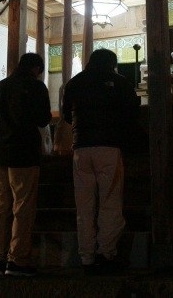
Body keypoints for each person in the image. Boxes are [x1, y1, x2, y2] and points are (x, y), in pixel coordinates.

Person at [61, 48, 140, 275]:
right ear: (112, 63)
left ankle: (86, 257)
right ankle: (107, 253)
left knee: (84, 205)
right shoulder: (119, 82)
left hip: (81, 148)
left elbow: (67, 114)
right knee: (110, 201)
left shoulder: (74, 83)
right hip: (109, 147)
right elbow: (131, 111)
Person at [0, 53, 52, 277]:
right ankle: (16, 259)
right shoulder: (37, 87)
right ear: (36, 68)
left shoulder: (1, 86)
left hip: (0, 153)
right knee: (22, 207)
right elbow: (44, 119)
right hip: (24, 153)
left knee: (0, 206)